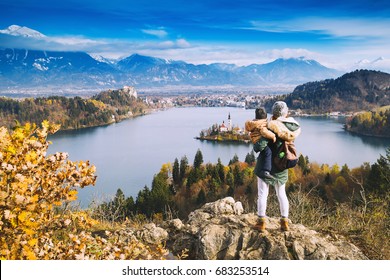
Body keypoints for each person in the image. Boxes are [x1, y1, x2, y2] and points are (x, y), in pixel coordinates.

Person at [253, 101, 301, 232]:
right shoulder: (291, 129)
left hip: (264, 166)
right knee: (282, 194)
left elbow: (258, 147)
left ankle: (261, 222)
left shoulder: (269, 127)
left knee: (262, 195)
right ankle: (284, 222)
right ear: (286, 113)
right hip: (281, 165)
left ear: (273, 113)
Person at [245, 107, 276, 180]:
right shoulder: (261, 125)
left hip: (255, 142)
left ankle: (263, 169)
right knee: (268, 152)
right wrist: (273, 136)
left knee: (264, 154)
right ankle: (266, 171)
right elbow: (265, 133)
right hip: (260, 142)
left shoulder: (254, 123)